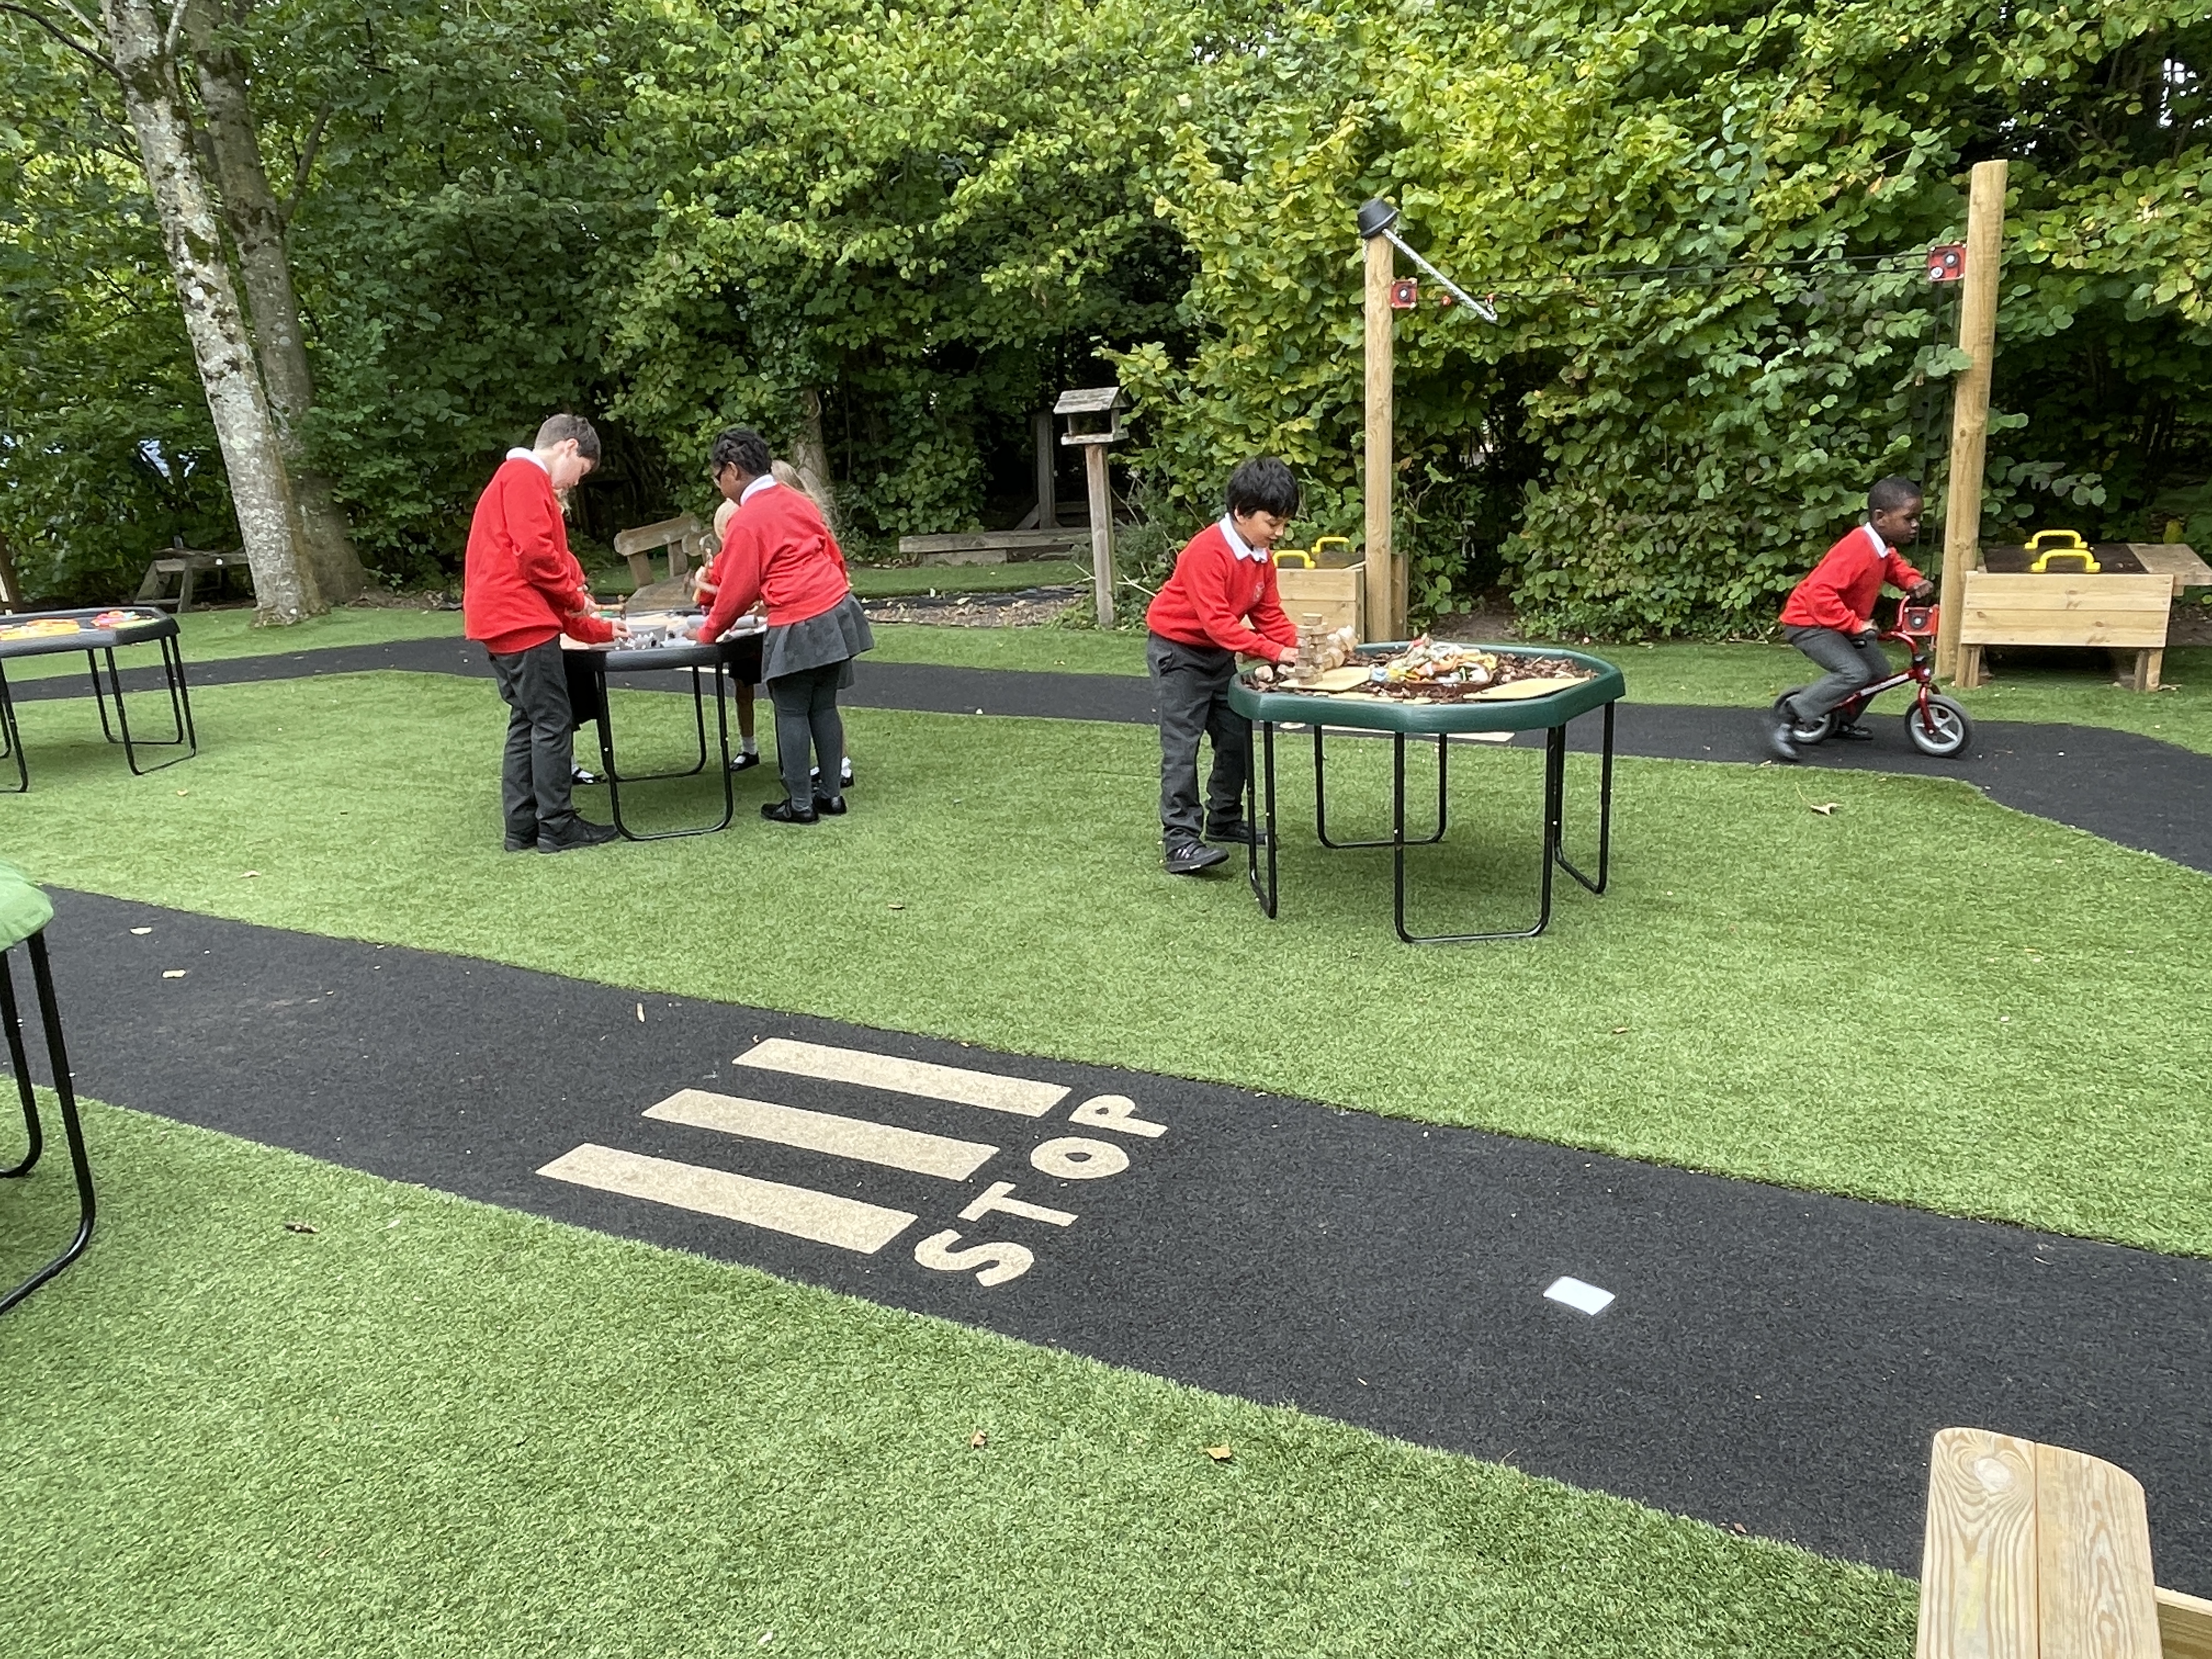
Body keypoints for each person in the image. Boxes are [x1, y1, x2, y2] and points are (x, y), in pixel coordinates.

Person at [689, 427, 873, 823]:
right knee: (823, 705)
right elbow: (832, 553)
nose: (718, 483)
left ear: (733, 470)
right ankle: (831, 795)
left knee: (791, 710)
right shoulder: (797, 501)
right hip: (837, 610)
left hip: (798, 619)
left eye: (717, 475)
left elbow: (738, 590)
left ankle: (801, 804)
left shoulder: (748, 519)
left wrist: (706, 633)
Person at [462, 414, 624, 853]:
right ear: (569, 448)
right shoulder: (526, 476)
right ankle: (557, 824)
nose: (574, 483)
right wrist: (574, 596)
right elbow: (537, 554)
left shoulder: (515, 478)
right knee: (553, 721)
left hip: (501, 619)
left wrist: (590, 620)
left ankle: (523, 827)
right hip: (520, 619)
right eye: (582, 472)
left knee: (528, 721)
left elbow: (545, 559)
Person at [1144, 456, 1301, 874]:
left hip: (1217, 656)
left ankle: (1224, 820)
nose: (1279, 533)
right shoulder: (1206, 552)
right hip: (1178, 654)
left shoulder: (1260, 554)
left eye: (1285, 522)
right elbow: (1218, 624)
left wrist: (1304, 647)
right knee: (1182, 746)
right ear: (1240, 513)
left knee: (1235, 737)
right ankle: (1180, 842)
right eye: (1273, 522)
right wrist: (1276, 652)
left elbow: (1269, 614)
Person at [1771, 475, 1936, 763]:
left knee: (1878, 671)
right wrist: (1854, 624)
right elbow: (1819, 592)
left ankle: (1840, 719)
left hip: (1838, 622)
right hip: (1809, 623)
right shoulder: (1857, 548)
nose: (1915, 525)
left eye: (1917, 518)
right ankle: (1790, 718)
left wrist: (1912, 581)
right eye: (1909, 518)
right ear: (1881, 517)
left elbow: (1894, 567)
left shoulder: (1882, 546)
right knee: (1854, 673)